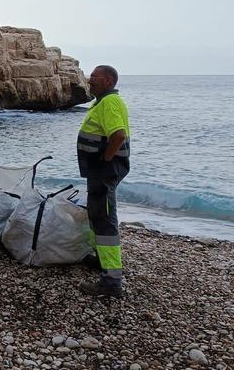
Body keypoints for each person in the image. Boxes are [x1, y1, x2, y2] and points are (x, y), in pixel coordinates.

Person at [76, 65, 131, 297]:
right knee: (96, 214)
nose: (89, 80)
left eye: (95, 77)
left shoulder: (109, 103)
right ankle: (100, 259)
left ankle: (111, 281)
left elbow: (118, 135)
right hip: (98, 173)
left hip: (104, 172)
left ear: (108, 80)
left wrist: (104, 160)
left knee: (105, 220)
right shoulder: (103, 101)